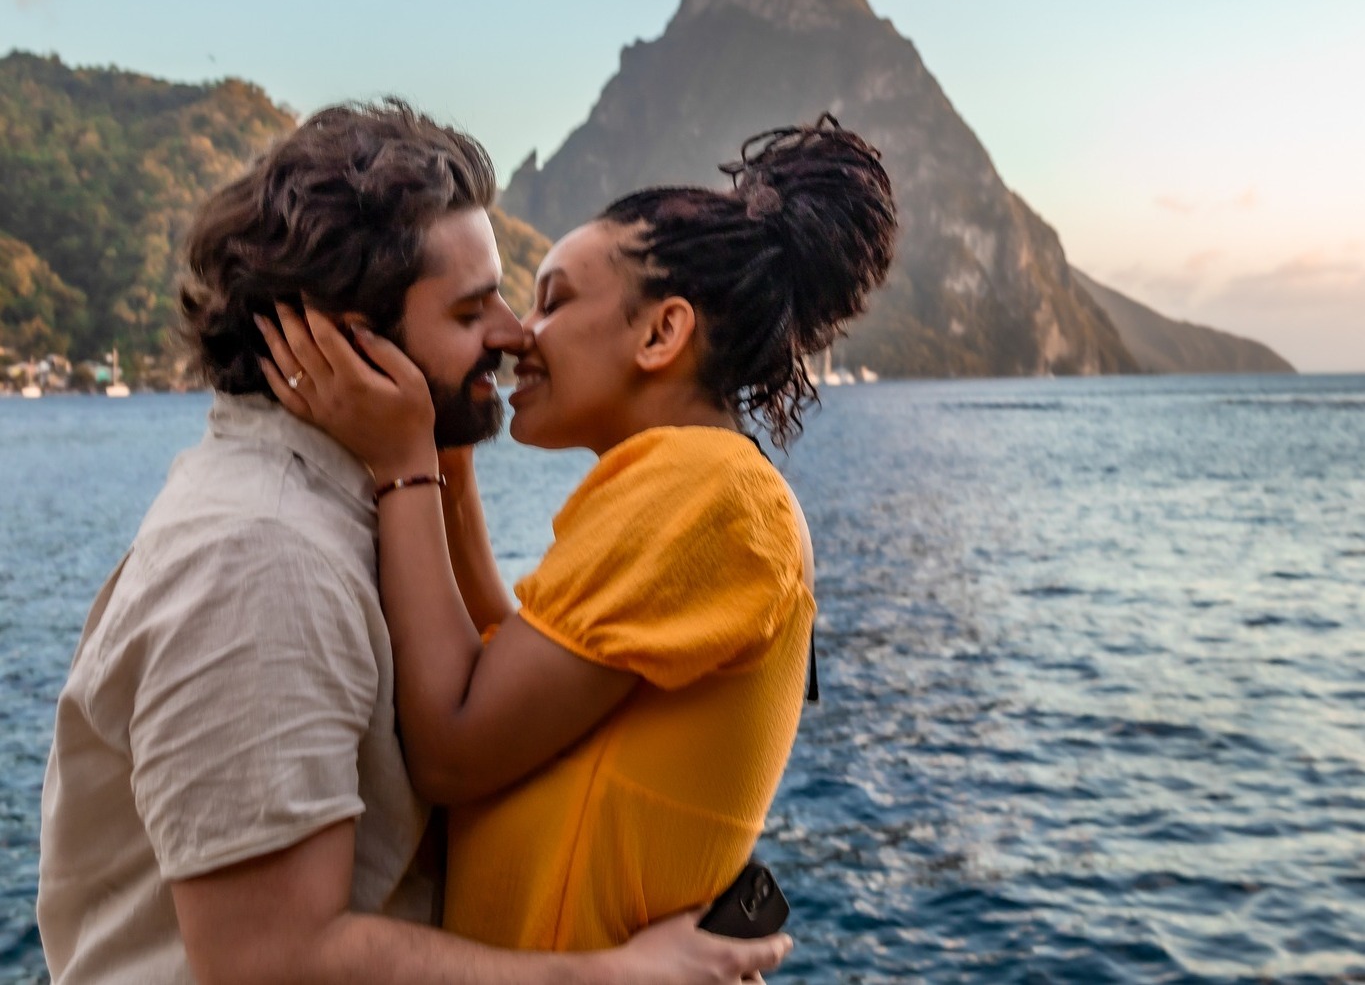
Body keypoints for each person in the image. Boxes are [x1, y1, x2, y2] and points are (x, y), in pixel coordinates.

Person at [36, 101, 791, 985]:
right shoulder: (259, 558)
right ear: (352, 342)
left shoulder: (353, 516)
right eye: (476, 310)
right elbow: (269, 959)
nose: (513, 335)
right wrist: (613, 976)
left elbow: (488, 688)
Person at [258, 116, 897, 952]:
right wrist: (444, 439)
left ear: (661, 333)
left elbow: (452, 743)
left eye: (552, 299)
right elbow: (500, 655)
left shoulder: (710, 488)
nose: (521, 333)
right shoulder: (693, 483)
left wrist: (403, 462)